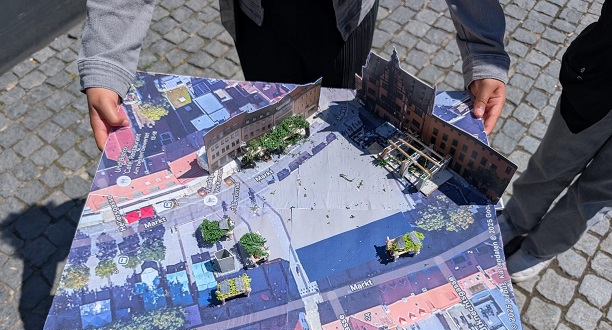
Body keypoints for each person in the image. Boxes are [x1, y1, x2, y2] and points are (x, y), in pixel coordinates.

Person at [78, 0, 509, 150]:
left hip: (343, 19)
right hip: (261, 17)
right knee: (276, 120)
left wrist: (484, 51)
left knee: (342, 125)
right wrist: (107, 59)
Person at [499, 0, 612, 283]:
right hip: (605, 72)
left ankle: (541, 248)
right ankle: (515, 219)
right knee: (552, 162)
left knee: (599, 194)